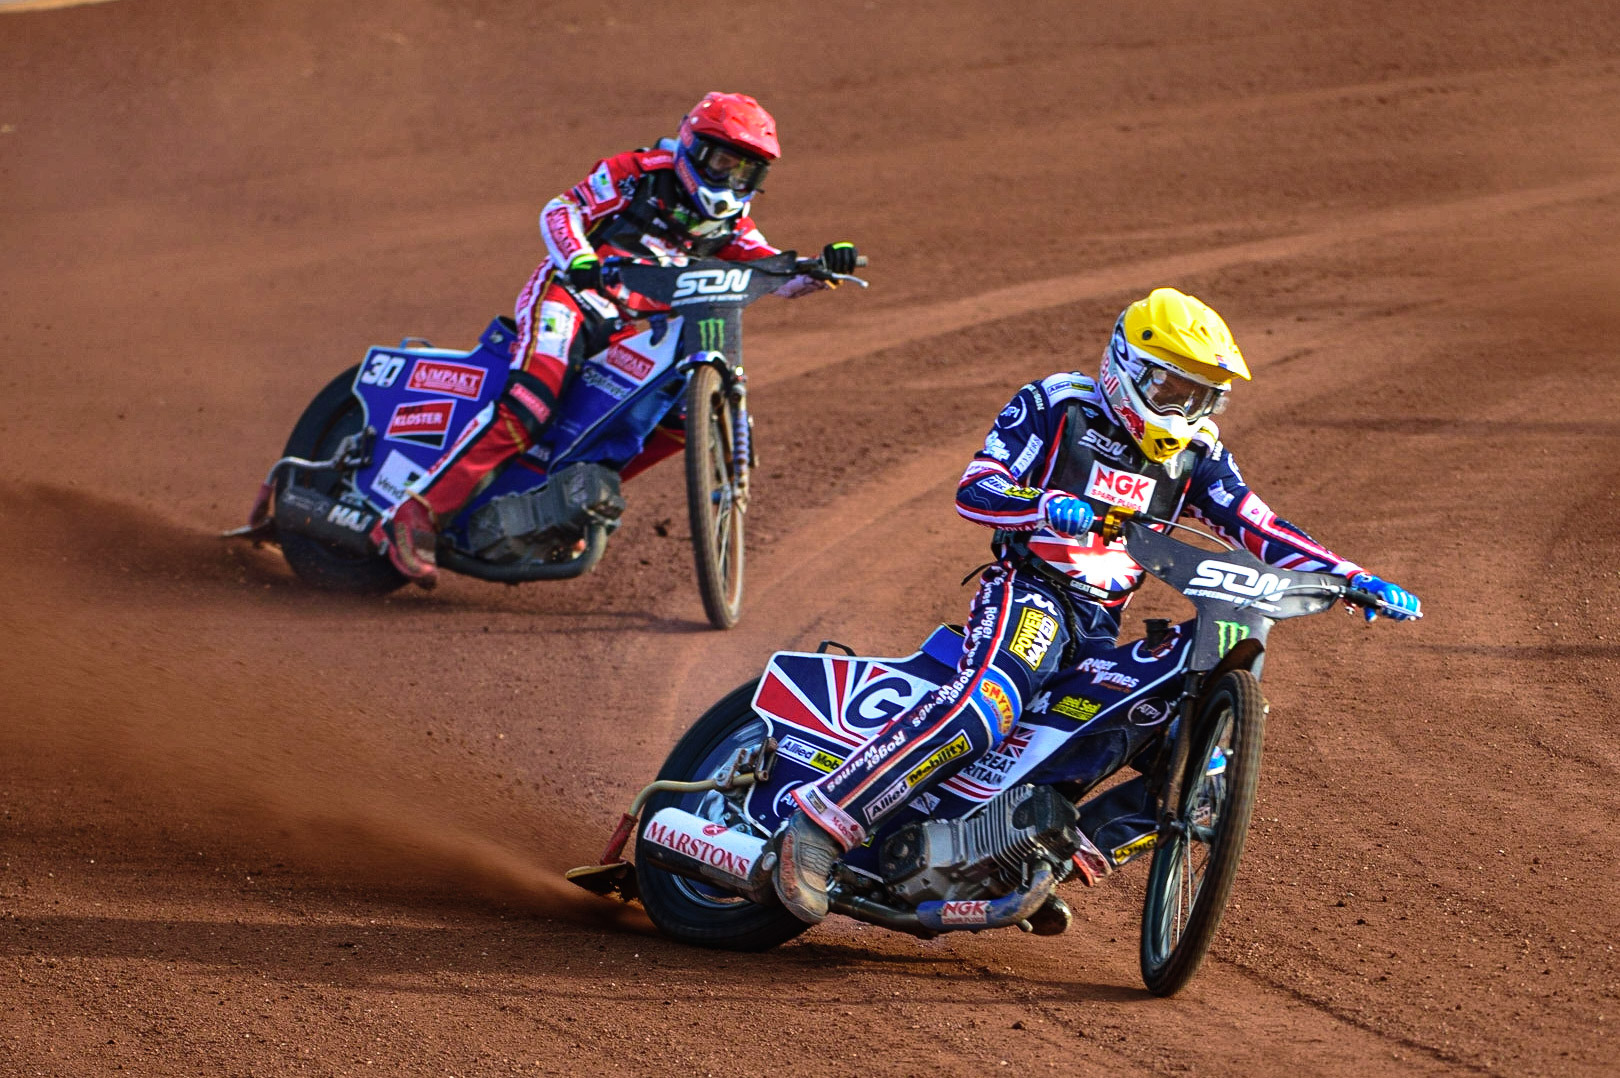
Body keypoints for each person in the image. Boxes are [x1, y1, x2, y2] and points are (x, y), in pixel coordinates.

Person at [770, 287, 1422, 923]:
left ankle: (1039, 855)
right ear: (1129, 368)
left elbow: (1259, 527)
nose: (1184, 407)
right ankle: (822, 823)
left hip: (1098, 628)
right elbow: (976, 489)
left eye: (1200, 395)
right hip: (1031, 590)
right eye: (1173, 388)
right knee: (989, 702)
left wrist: (1351, 577)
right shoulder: (1060, 405)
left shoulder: (1199, 456)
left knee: (1197, 763)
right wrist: (1044, 506)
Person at [371, 91, 860, 586]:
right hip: (568, 298)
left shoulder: (733, 223)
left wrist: (822, 269)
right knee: (532, 403)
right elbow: (560, 212)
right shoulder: (639, 171)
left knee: (672, 420)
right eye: (724, 161)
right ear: (693, 147)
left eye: (747, 171)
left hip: (628, 326)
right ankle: (416, 512)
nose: (733, 179)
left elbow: (774, 271)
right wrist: (579, 261)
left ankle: (565, 496)